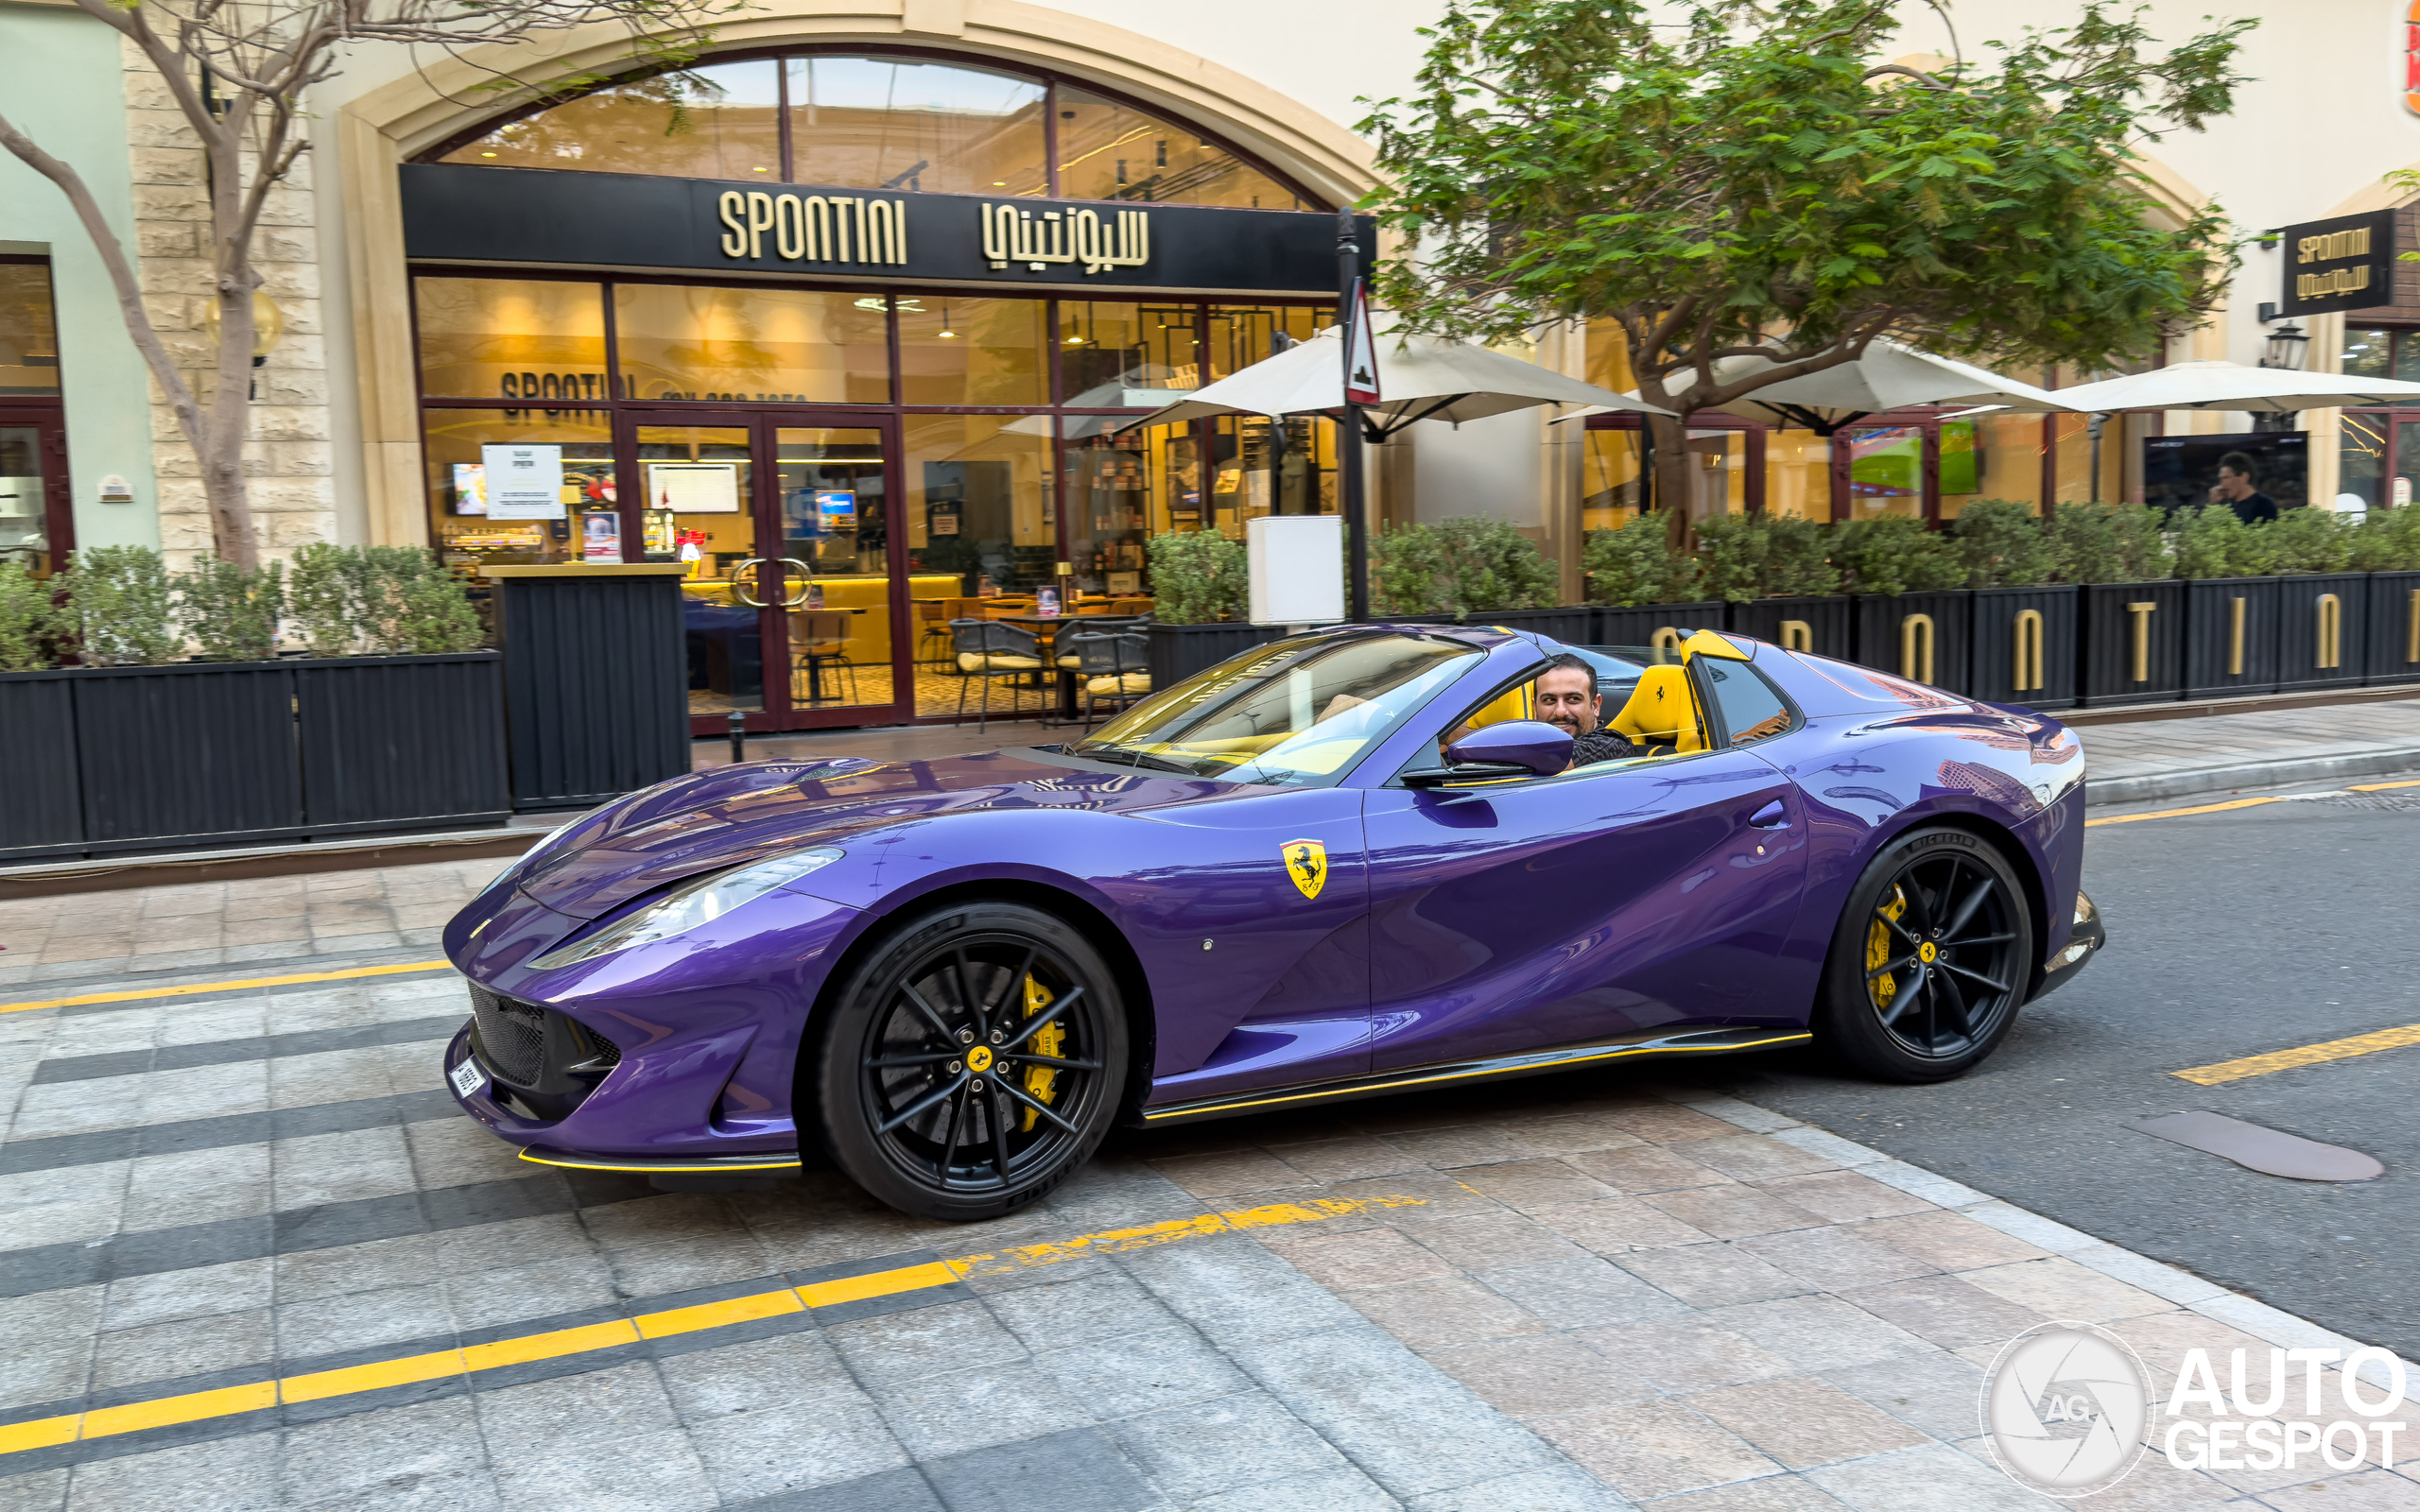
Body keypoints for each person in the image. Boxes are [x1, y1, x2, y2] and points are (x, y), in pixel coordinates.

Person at [1533, 653, 1635, 769]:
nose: (1560, 711)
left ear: (1595, 706)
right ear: (1535, 708)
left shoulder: (1614, 745)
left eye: (1573, 699)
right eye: (1549, 700)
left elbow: (1552, 760)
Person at [2209, 451, 2280, 525]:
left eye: (2226, 478)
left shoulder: (2263, 504)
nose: (2222, 484)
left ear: (2244, 477)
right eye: (2221, 479)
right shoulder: (2229, 506)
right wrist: (2214, 505)